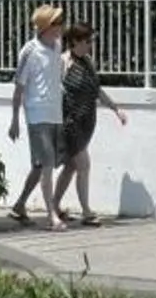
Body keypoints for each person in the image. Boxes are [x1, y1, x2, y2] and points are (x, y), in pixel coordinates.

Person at [53, 20, 128, 226]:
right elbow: (53, 91)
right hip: (70, 121)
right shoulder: (63, 62)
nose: (90, 44)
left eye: (91, 40)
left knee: (70, 167)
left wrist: (115, 109)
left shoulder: (88, 61)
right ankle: (87, 212)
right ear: (75, 41)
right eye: (87, 40)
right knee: (84, 165)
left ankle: (54, 205)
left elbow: (97, 91)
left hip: (86, 121)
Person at [5, 3, 69, 229]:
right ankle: (52, 215)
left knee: (41, 165)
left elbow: (56, 78)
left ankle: (20, 205)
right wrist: (15, 119)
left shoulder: (57, 47)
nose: (61, 27)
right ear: (45, 27)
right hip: (37, 114)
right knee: (48, 164)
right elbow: (19, 87)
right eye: (57, 23)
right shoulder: (30, 51)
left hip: (55, 113)